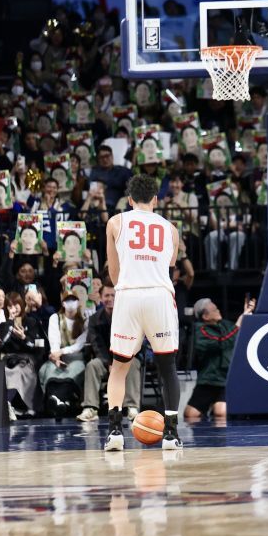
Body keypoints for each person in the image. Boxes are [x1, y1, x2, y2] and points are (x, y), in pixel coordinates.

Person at [104, 174, 182, 451]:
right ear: (156, 199)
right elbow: (170, 264)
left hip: (128, 294)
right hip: (159, 294)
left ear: (129, 199)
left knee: (119, 367)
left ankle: (114, 431)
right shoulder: (170, 228)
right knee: (167, 367)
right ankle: (171, 434)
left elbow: (114, 270)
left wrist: (123, 289)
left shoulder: (115, 222)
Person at [77, 281, 142, 422]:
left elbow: (133, 340)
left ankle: (131, 407)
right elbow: (96, 344)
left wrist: (119, 362)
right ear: (100, 298)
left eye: (113, 295)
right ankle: (91, 408)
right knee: (92, 366)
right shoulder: (94, 319)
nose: (110, 298)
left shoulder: (128, 317)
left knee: (135, 363)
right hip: (105, 359)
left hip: (125, 358)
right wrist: (108, 362)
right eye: (106, 295)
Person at [185, 296, 255, 420]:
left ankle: (215, 410)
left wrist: (247, 314)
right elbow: (221, 342)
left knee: (221, 412)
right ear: (205, 317)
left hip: (225, 379)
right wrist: (238, 325)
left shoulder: (226, 325)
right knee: (190, 414)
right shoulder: (201, 330)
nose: (218, 311)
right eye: (214, 310)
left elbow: (237, 335)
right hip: (208, 379)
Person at [39, 290, 88, 417]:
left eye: (73, 300)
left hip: (76, 357)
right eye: (67, 300)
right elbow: (54, 340)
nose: (70, 303)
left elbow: (79, 344)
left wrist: (62, 351)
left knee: (74, 371)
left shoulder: (85, 320)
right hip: (57, 357)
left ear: (78, 302)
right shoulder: (55, 318)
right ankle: (57, 401)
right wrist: (56, 356)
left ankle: (59, 400)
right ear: (63, 303)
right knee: (48, 370)